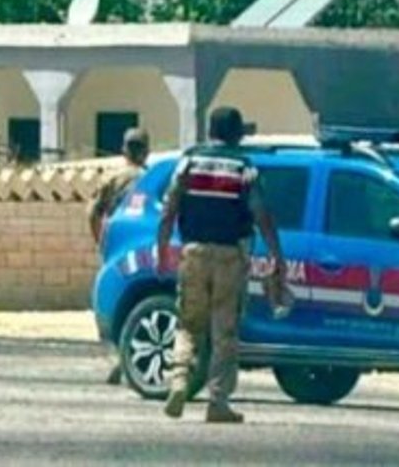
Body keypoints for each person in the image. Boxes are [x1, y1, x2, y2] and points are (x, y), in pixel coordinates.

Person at [156, 106, 284, 423]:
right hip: (229, 255)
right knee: (224, 332)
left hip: (193, 252)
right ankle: (217, 401)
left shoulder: (188, 162)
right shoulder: (243, 167)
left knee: (188, 324)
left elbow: (169, 207)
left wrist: (162, 248)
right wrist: (275, 254)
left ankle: (180, 381)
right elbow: (261, 213)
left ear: (210, 131)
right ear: (237, 133)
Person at [86, 127, 151, 385]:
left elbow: (92, 212)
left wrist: (100, 241)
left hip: (116, 247)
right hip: (145, 249)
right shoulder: (148, 179)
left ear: (124, 150)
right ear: (146, 151)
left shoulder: (112, 178)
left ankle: (120, 358)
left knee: (114, 300)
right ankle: (130, 360)